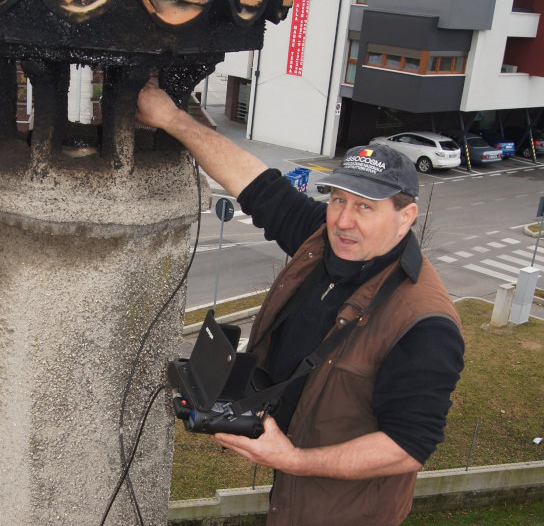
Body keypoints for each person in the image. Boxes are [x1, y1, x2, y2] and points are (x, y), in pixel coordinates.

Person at [136, 81, 464, 526]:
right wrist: (173, 119)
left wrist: (292, 459)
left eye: (366, 208)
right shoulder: (325, 239)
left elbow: (408, 448)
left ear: (405, 218)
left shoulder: (424, 323)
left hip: (347, 512)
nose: (343, 221)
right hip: (291, 496)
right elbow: (254, 183)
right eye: (339, 200)